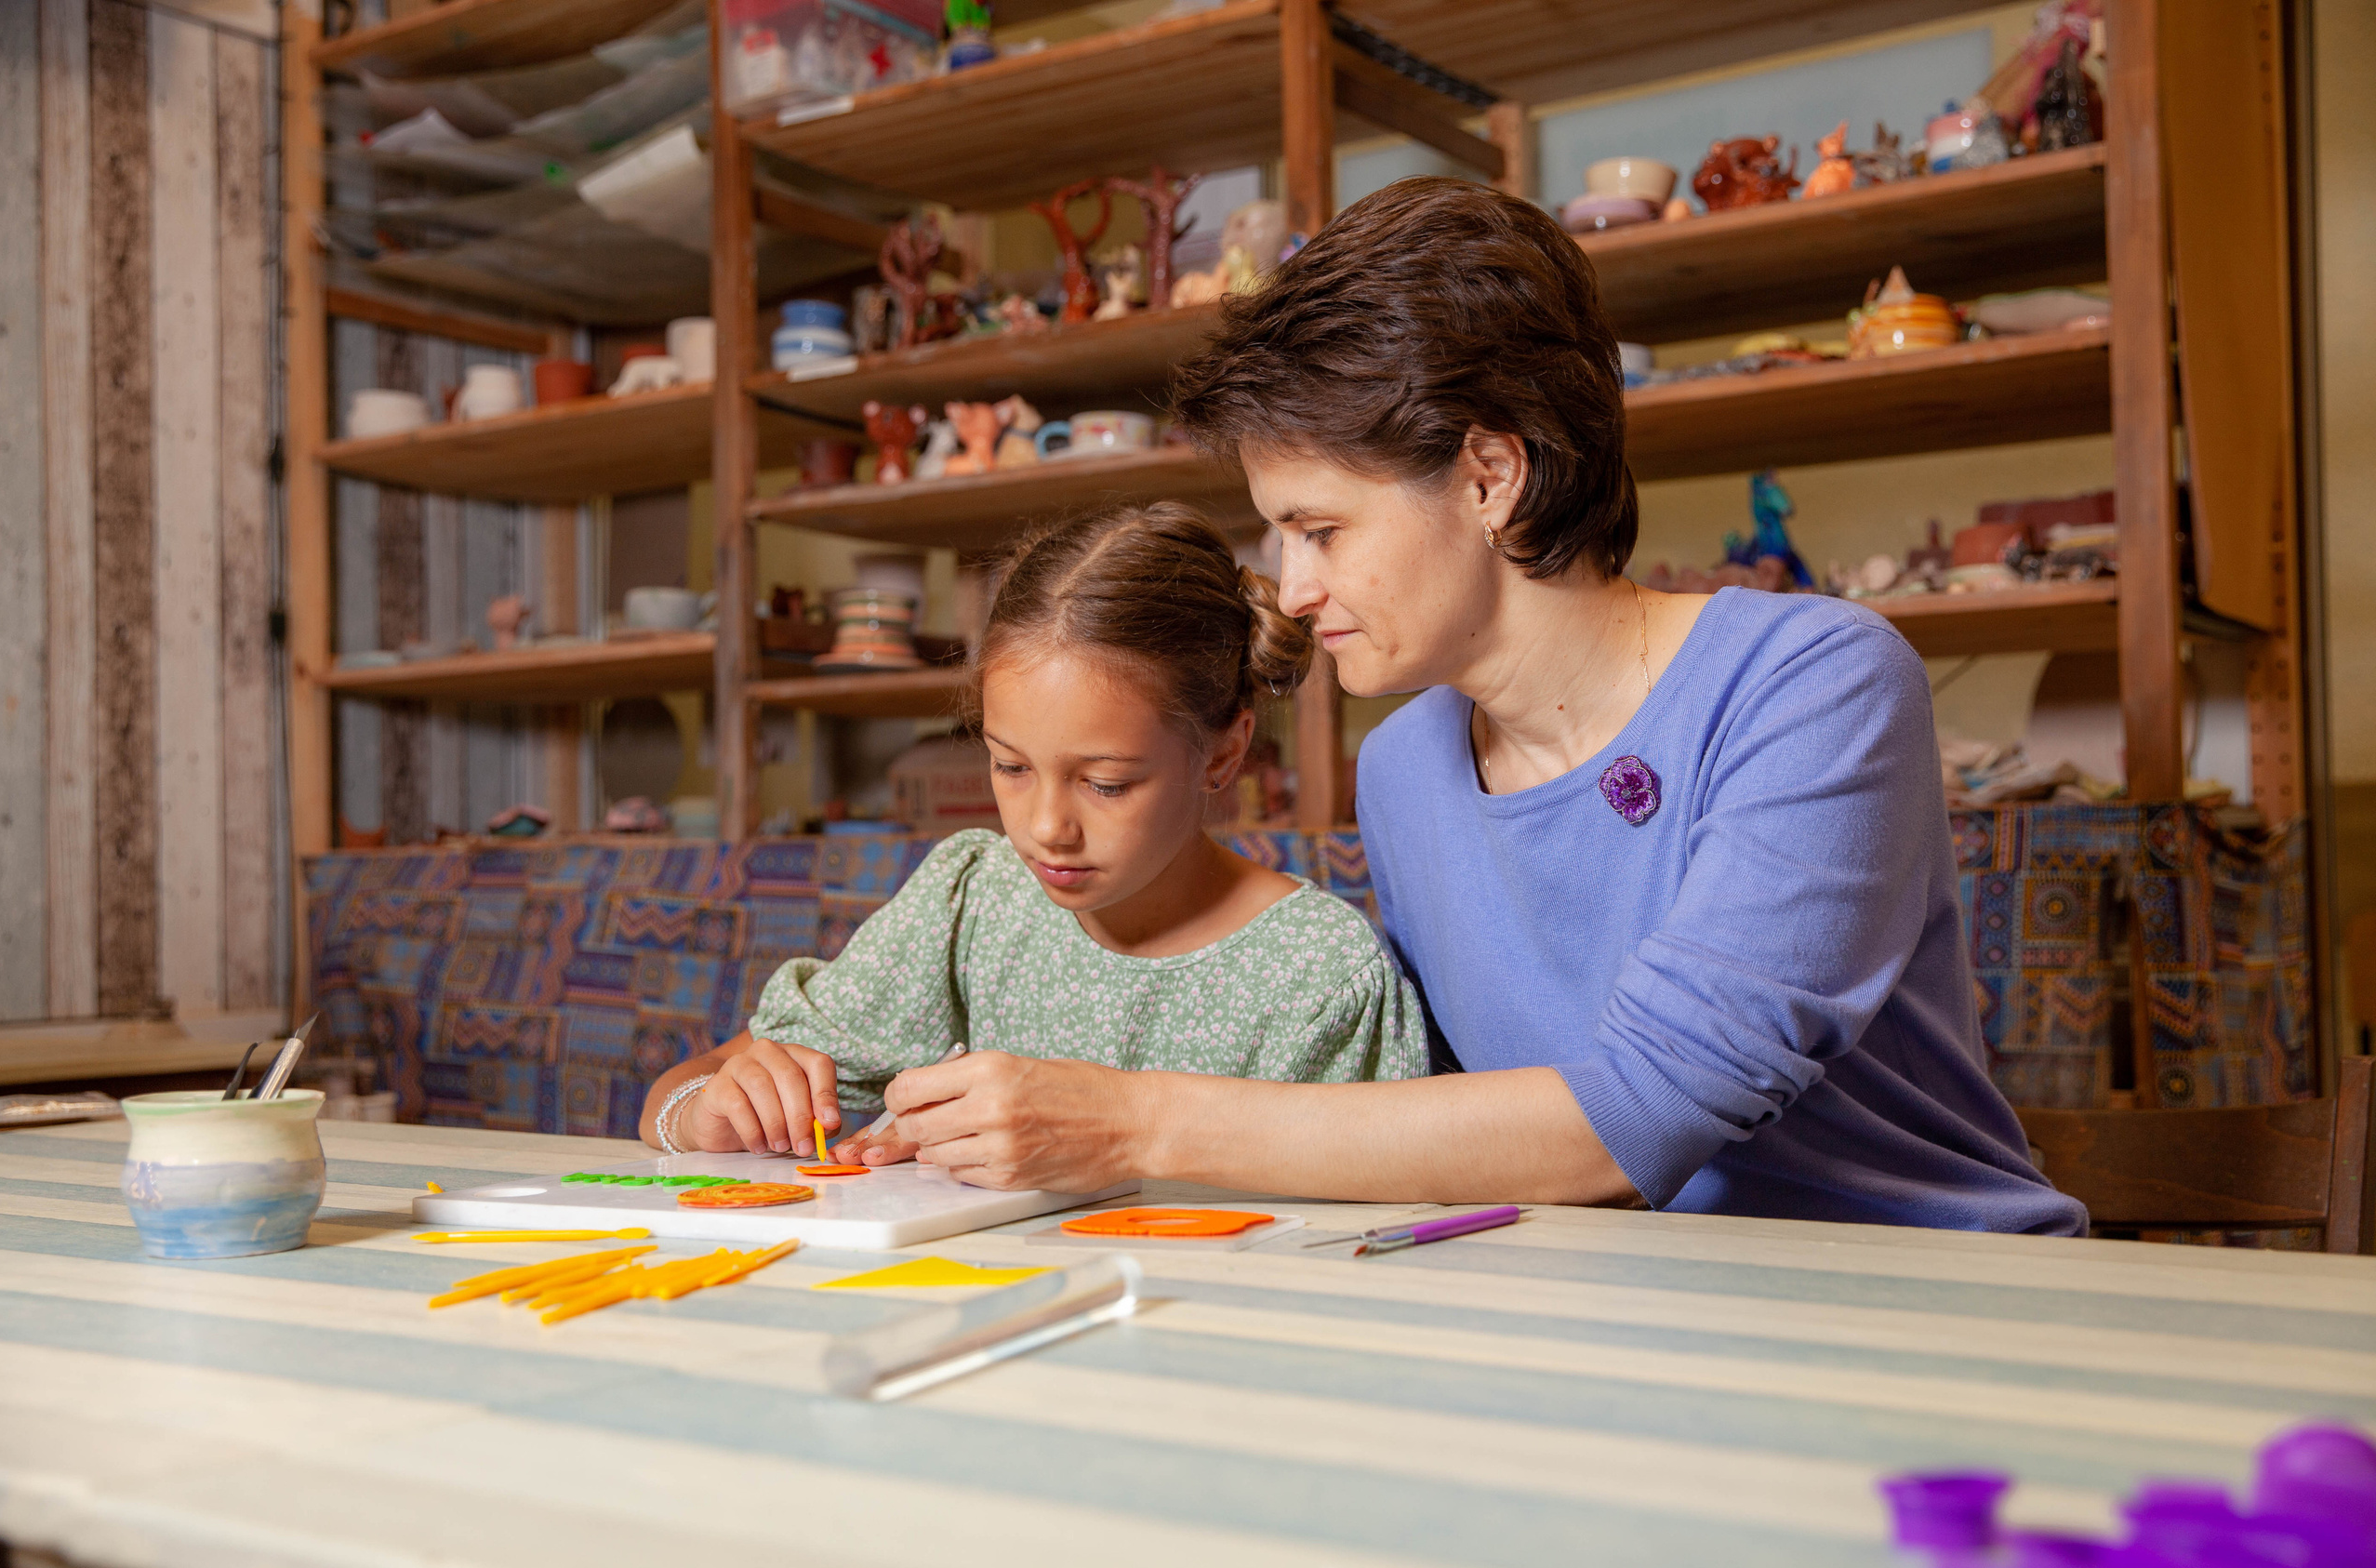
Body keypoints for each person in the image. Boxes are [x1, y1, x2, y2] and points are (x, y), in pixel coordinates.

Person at [805, 176, 2081, 1235]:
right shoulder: (1407, 763)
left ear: (1489, 476)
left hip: (1921, 1294)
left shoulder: (1815, 683)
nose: (1294, 588)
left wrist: (1129, 1119)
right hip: (1621, 1314)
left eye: (1322, 529)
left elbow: (1641, 1113)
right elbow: (1454, 1121)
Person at [635, 503, 1428, 1162]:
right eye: (1010, 766)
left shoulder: (1318, 976)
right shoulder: (972, 902)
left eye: (1106, 783)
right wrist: (704, 1112)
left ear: (1223, 753)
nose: (1046, 828)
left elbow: (1367, 1230)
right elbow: (691, 1086)